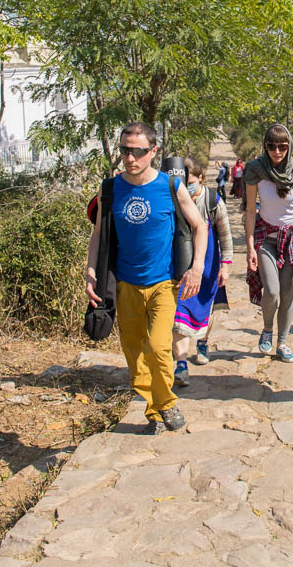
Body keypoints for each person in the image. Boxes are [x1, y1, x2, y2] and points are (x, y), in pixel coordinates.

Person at [85, 122, 207, 435]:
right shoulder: (109, 188)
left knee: (158, 347)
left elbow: (199, 226)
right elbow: (98, 233)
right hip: (125, 283)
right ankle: (153, 405)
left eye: (138, 151)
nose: (130, 158)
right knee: (133, 351)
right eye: (125, 150)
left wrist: (196, 268)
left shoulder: (171, 186)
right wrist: (91, 270)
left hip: (163, 283)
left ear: (153, 151)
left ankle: (165, 403)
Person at [243, 124, 293, 363]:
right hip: (265, 237)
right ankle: (267, 328)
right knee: (272, 290)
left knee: (288, 293)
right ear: (265, 146)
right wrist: (249, 246)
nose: (277, 151)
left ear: (289, 147)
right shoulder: (255, 170)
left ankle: (283, 342)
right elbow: (250, 210)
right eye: (271, 146)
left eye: (282, 146)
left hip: (292, 238)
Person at [172, 156, 233, 386]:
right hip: (180, 264)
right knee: (179, 312)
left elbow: (225, 236)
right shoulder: (173, 198)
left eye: (190, 182)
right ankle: (181, 364)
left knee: (207, 307)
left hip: (208, 265)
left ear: (200, 178)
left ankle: (203, 342)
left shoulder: (212, 200)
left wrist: (225, 265)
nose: (186, 187)